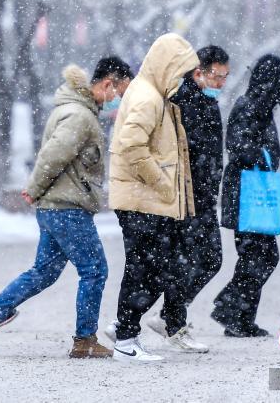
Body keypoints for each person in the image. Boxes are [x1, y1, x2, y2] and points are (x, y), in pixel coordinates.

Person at [0, 57, 133, 358]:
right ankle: (85, 340)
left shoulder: (76, 110)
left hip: (57, 206)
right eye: (120, 92)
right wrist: (33, 188)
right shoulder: (80, 116)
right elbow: (53, 155)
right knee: (95, 270)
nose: (119, 99)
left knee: (45, 272)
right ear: (108, 84)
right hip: (67, 206)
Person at [115, 45, 230, 347]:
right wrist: (165, 184)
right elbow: (140, 147)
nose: (221, 83)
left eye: (225, 77)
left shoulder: (205, 101)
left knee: (193, 262)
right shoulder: (172, 100)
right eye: (217, 76)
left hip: (200, 196)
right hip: (181, 196)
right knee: (169, 264)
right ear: (198, 72)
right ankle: (139, 324)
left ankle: (152, 320)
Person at [107, 33, 201, 363]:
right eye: (180, 72)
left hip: (145, 200)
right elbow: (132, 146)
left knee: (152, 269)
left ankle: (125, 331)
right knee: (143, 270)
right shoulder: (148, 98)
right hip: (142, 200)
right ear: (167, 67)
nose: (183, 81)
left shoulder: (153, 94)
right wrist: (162, 184)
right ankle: (125, 338)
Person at [212, 54, 280, 338]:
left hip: (251, 193)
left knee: (259, 256)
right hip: (248, 194)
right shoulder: (250, 107)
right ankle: (233, 312)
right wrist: (263, 158)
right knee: (259, 256)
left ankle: (237, 315)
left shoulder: (259, 108)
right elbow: (239, 147)